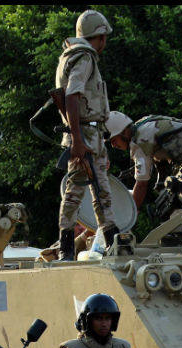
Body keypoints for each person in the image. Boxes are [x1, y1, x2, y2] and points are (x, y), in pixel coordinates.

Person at [54, 9, 118, 261]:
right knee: (77, 193)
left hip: (89, 133)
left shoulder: (72, 56)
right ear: (100, 36)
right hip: (85, 134)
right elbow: (72, 95)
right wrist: (78, 140)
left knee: (100, 193)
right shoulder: (85, 57)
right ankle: (66, 249)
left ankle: (112, 243)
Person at [107, 110, 182, 209]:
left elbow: (141, 184)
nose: (113, 145)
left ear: (124, 132)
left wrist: (133, 212)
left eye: (114, 140)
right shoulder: (142, 124)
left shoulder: (139, 143)